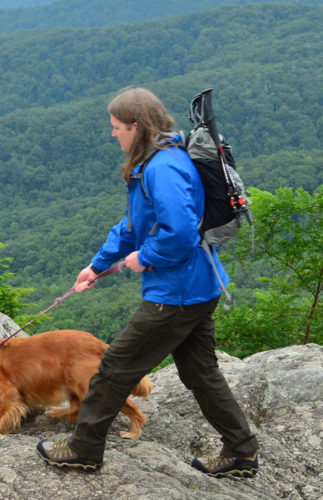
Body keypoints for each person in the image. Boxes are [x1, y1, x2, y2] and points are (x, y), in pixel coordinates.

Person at [36, 88, 259, 477]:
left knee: (113, 369)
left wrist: (146, 257)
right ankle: (241, 452)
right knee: (201, 374)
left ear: (136, 126)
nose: (113, 134)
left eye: (117, 127)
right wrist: (96, 265)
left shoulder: (162, 168)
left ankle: (84, 449)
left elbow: (180, 231)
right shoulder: (156, 160)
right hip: (198, 285)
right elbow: (133, 225)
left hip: (177, 293)